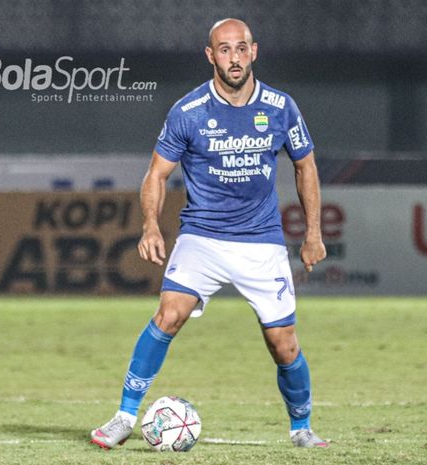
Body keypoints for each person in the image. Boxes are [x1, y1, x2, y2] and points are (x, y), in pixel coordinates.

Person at [91, 18, 328, 449]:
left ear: (254, 51)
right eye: (224, 49)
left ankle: (302, 428)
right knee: (168, 315)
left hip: (261, 241)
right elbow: (156, 173)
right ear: (210, 55)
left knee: (284, 345)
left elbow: (305, 165)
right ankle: (125, 416)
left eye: (241, 49)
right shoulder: (188, 111)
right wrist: (150, 225)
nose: (234, 58)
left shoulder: (280, 106)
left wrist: (313, 233)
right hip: (202, 237)